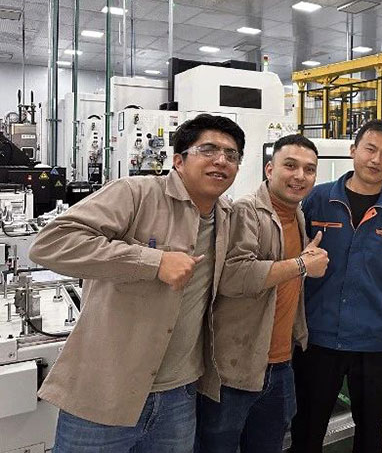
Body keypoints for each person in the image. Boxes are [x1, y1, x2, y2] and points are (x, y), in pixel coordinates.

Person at [29, 114, 245, 452]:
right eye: (208, 150)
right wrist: (153, 262)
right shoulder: (136, 193)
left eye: (231, 155)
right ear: (178, 161)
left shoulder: (228, 216)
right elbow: (50, 243)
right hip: (104, 391)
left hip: (178, 395)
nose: (221, 160)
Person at [290, 119, 382, 453]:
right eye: (370, 149)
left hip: (372, 341)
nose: (376, 159)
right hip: (318, 337)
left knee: (370, 432)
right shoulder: (317, 200)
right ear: (354, 150)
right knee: (307, 429)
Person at [196, 134, 329, 453]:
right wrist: (301, 265)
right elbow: (234, 276)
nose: (300, 176)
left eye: (309, 169)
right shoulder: (246, 211)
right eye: (290, 166)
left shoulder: (297, 214)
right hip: (235, 369)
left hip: (281, 364)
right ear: (270, 169)